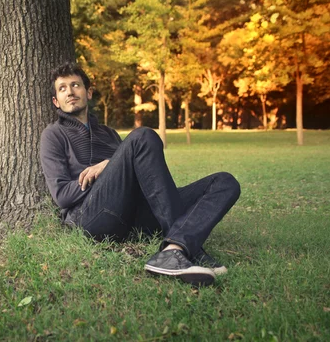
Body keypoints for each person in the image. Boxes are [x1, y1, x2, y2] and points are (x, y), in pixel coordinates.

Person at [39, 62, 240, 286]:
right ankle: (189, 250)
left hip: (135, 215)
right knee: (143, 136)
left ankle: (175, 249)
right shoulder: (53, 135)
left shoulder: (109, 133)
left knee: (224, 182)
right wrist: (105, 170)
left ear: (88, 92)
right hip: (92, 216)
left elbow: (134, 173)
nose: (70, 91)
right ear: (56, 101)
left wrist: (109, 164)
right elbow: (62, 196)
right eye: (62, 88)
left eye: (75, 85)